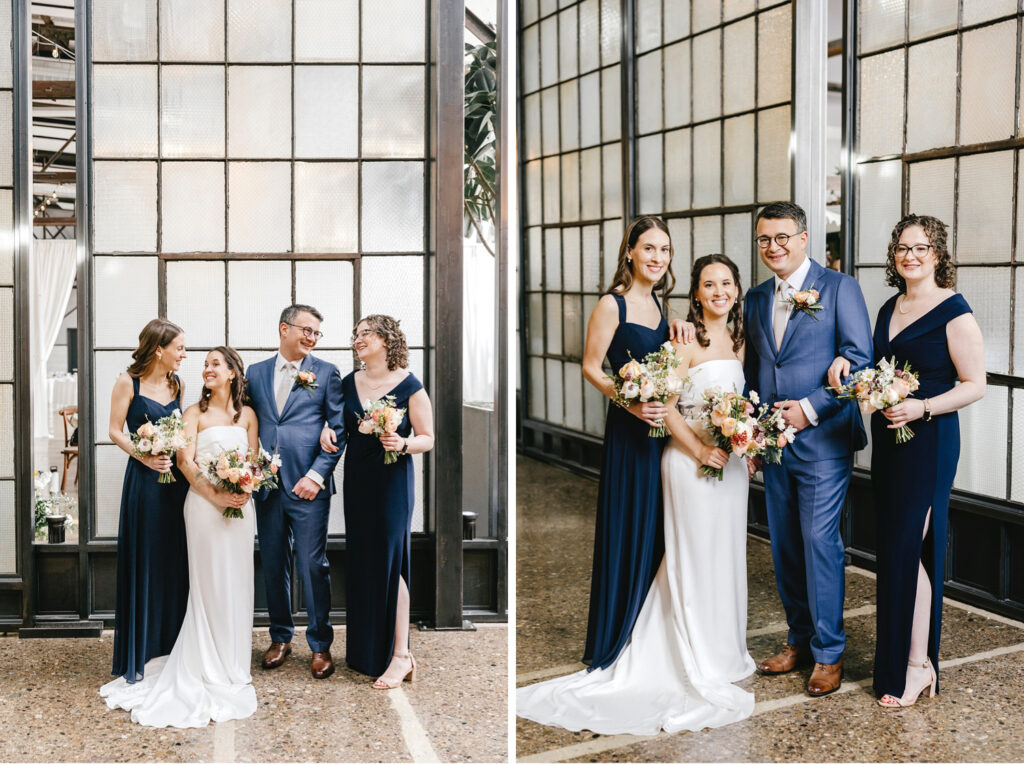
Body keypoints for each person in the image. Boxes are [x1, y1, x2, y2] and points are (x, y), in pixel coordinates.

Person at [516, 254, 757, 734]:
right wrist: (698, 452)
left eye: (726, 283)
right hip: (691, 464)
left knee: (724, 555)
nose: (718, 292)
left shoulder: (740, 340)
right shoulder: (683, 338)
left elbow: (740, 403)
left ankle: (724, 648)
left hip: (729, 469)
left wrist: (744, 444)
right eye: (708, 284)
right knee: (689, 556)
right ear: (695, 292)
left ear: (736, 290)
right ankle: (692, 652)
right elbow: (665, 408)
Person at [827, 214, 984, 708]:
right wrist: (848, 375)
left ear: (939, 255)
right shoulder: (891, 305)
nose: (910, 256)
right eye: (902, 248)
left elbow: (975, 384)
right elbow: (878, 370)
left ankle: (917, 665)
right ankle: (909, 661)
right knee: (895, 552)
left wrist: (922, 406)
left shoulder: (955, 310)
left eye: (921, 248)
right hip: (890, 441)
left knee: (908, 551)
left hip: (930, 440)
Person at [743, 201, 873, 697]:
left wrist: (811, 408)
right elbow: (757, 369)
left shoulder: (840, 288)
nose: (772, 247)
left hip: (823, 440)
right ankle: (798, 639)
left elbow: (859, 361)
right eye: (763, 240)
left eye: (781, 237)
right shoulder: (756, 298)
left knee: (821, 544)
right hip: (774, 445)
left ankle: (829, 654)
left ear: (803, 238)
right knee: (784, 547)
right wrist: (754, 432)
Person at [101, 348, 258, 727]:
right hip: (204, 508)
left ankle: (233, 661)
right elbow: (186, 462)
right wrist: (216, 495)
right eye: (203, 364)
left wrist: (246, 487)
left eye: (214, 364)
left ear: (233, 373)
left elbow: (253, 458)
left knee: (238, 583)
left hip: (239, 509)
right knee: (207, 585)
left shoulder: (248, 415)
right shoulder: (193, 413)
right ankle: (203, 659)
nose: (205, 369)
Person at [320, 315, 434, 687]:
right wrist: (327, 431)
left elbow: (427, 437)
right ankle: (367, 651)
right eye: (355, 334)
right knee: (365, 561)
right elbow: (337, 425)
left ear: (386, 339)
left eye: (365, 333)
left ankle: (401, 655)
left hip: (392, 483)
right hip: (358, 480)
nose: (357, 338)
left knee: (390, 563)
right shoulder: (348, 382)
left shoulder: (410, 385)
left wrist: (402, 444)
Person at [246, 304, 345, 679]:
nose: (312, 338)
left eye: (317, 333)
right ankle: (280, 637)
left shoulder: (326, 372)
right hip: (267, 486)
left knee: (312, 565)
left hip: (308, 487)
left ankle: (320, 645)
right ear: (284, 328)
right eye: (306, 330)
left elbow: (338, 431)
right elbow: (244, 420)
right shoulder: (254, 374)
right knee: (273, 563)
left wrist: (316, 476)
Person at [104, 319, 190, 683]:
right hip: (145, 482)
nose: (184, 355)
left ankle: (171, 647)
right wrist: (144, 454)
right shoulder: (128, 382)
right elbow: (113, 430)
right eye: (180, 348)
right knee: (147, 557)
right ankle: (141, 650)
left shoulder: (177, 383)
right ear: (159, 349)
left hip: (175, 485)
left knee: (175, 559)